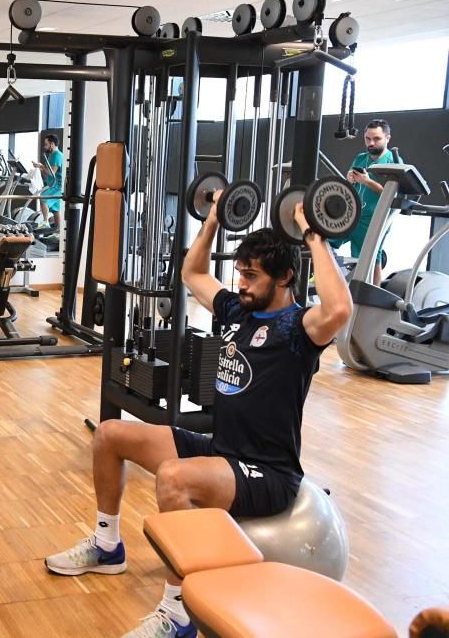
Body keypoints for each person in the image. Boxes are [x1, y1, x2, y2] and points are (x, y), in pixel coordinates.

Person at [44, 196, 353, 638]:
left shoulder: (298, 329)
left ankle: (179, 614)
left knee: (174, 478)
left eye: (252, 275)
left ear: (285, 277)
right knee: (111, 435)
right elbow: (192, 273)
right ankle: (108, 545)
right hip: (221, 449)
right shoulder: (236, 311)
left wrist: (312, 233)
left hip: (266, 470)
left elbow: (340, 309)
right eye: (240, 273)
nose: (241, 284)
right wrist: (212, 219)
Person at [330, 118, 398, 285]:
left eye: (376, 139)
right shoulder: (361, 158)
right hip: (353, 214)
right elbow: (350, 184)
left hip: (375, 218)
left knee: (372, 258)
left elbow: (393, 196)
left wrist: (367, 182)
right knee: (324, 240)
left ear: (387, 138)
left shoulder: (394, 162)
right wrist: (350, 180)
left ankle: (373, 298)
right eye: (367, 139)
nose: (371, 143)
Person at [33, 134, 63, 228]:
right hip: (52, 184)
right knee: (56, 210)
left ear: (52, 144)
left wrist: (40, 166)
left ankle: (45, 222)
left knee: (43, 198)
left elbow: (52, 172)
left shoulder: (57, 155)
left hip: (56, 186)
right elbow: (48, 172)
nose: (44, 146)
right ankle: (58, 232)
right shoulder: (52, 155)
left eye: (46, 144)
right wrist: (41, 167)